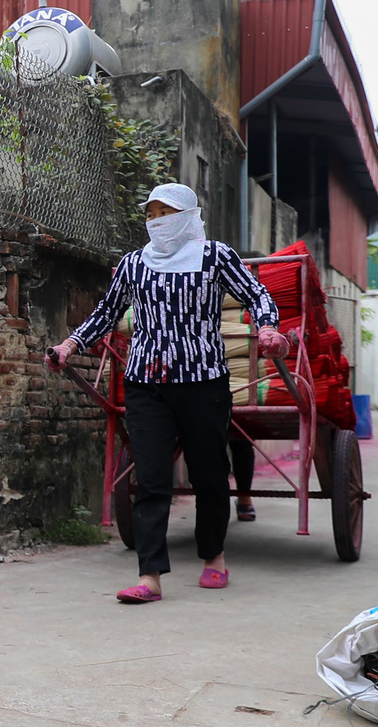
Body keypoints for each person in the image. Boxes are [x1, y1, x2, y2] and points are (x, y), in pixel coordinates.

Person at [48, 183, 287, 604]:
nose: (157, 221)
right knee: (153, 479)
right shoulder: (134, 264)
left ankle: (213, 556)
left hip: (204, 382)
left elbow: (257, 294)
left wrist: (267, 327)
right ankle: (150, 575)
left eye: (166, 212)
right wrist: (69, 345)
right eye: (151, 214)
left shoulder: (215, 257)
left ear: (189, 215)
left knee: (209, 474)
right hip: (147, 385)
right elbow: (107, 313)